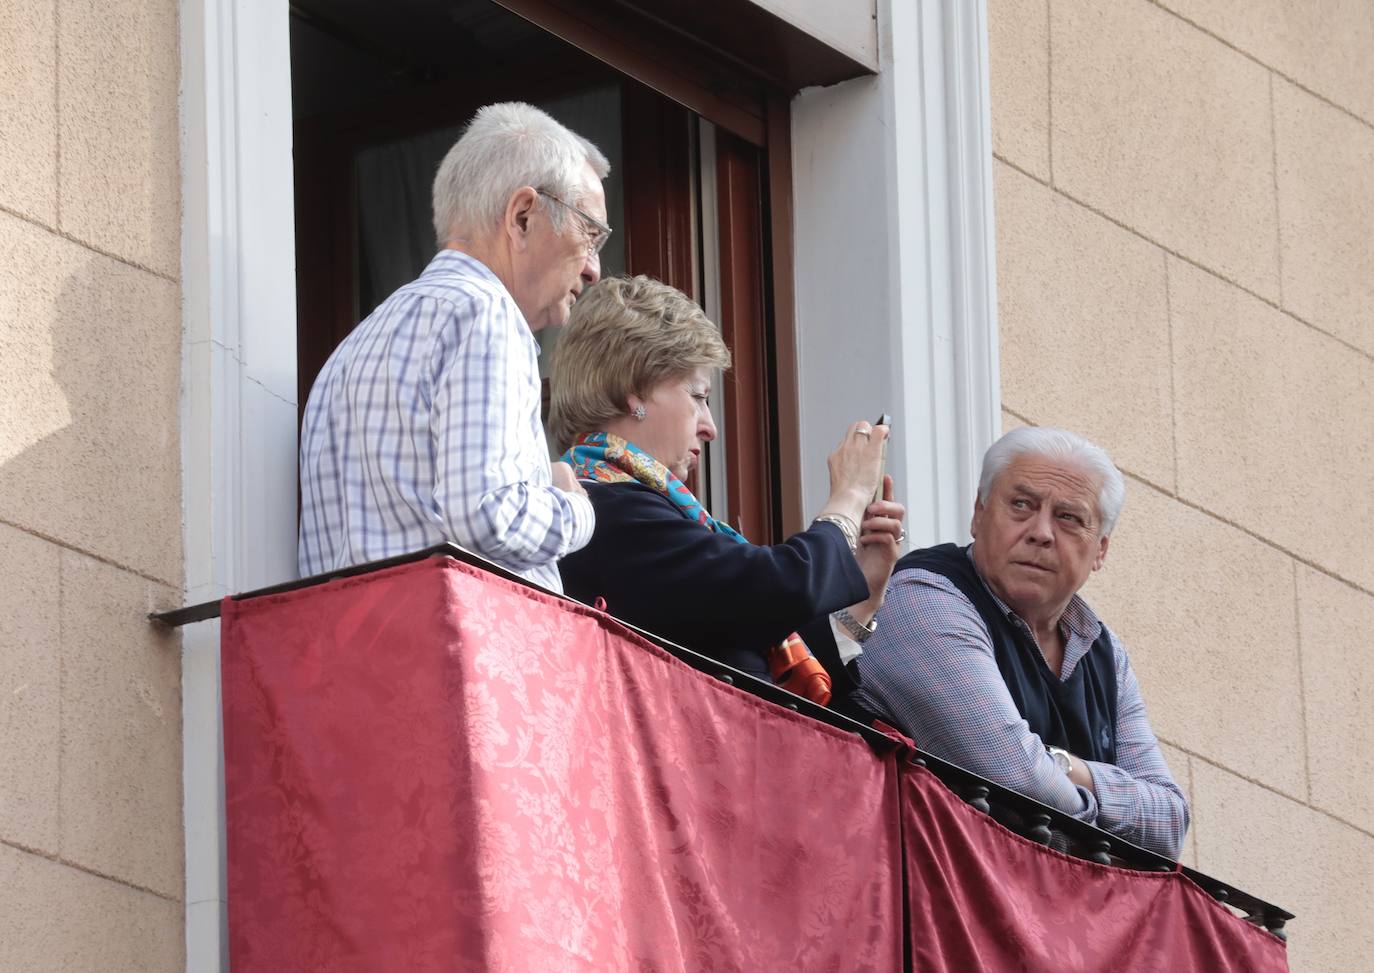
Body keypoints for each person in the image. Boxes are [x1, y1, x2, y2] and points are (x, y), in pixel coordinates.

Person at [549, 275, 906, 703]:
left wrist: (860, 599)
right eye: (698, 395)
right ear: (634, 391)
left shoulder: (635, 506)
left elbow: (756, 654)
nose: (710, 426)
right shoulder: (603, 507)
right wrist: (847, 501)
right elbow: (769, 589)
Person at [299, 103, 609, 591]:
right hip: (454, 657)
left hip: (349, 656)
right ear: (523, 216)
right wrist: (575, 506)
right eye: (590, 234)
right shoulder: (487, 313)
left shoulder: (352, 348)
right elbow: (493, 516)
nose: (593, 269)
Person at [844, 426, 1188, 858]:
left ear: (1100, 550)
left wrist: (1062, 766)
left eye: (1069, 518)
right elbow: (1016, 783)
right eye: (1021, 505)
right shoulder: (925, 597)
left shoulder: (1103, 650)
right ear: (978, 514)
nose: (1041, 532)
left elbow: (1171, 821)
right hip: (917, 898)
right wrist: (1117, 834)